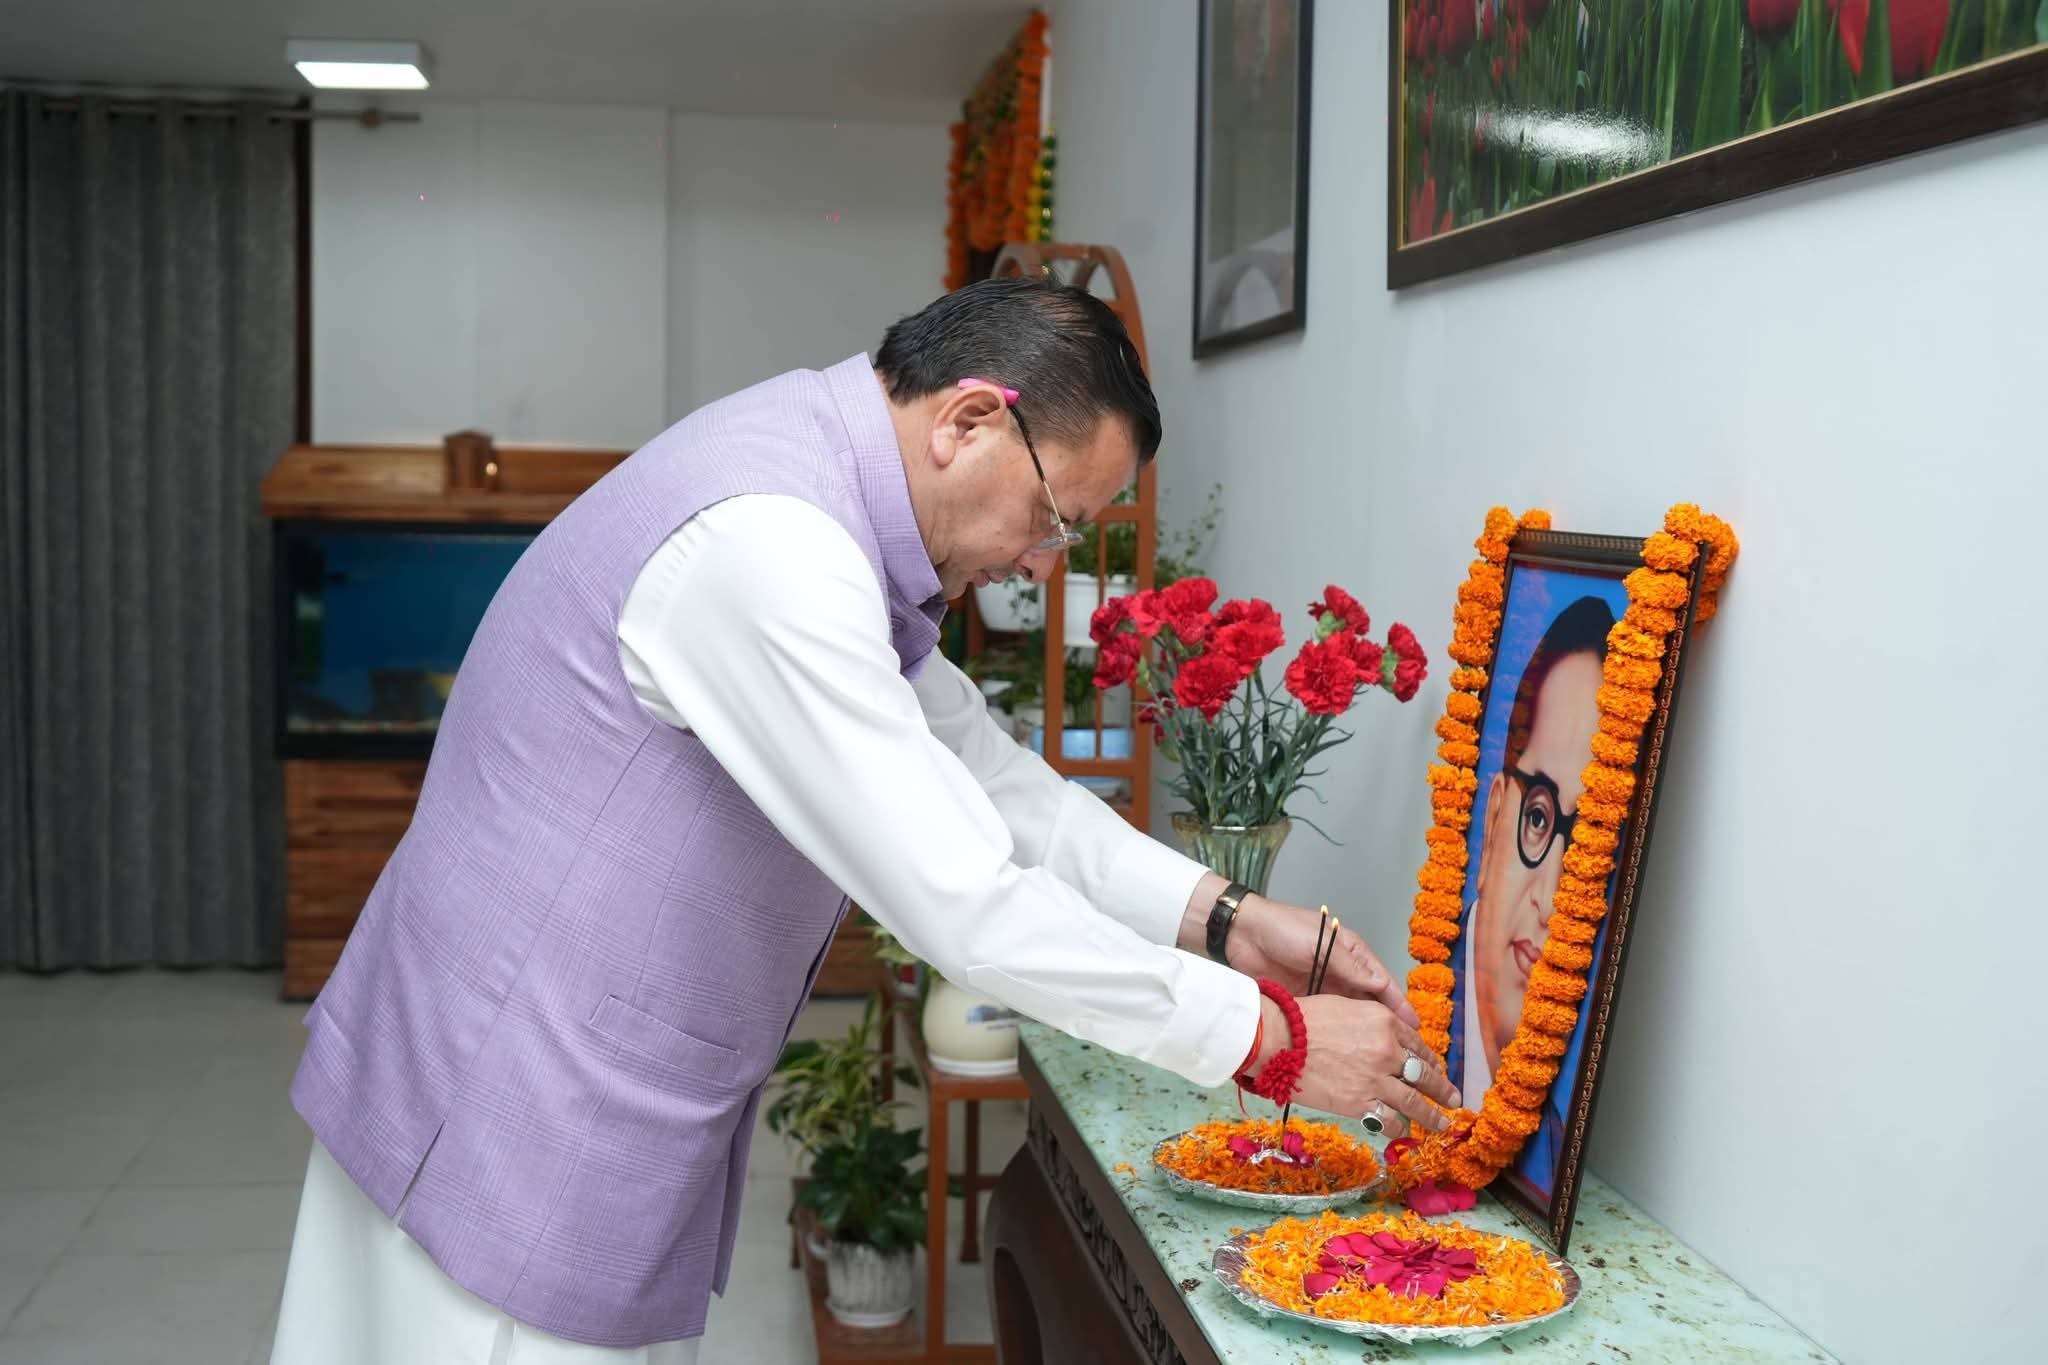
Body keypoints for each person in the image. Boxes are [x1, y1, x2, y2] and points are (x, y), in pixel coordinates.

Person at [268, 277, 1458, 1364]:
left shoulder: (819, 495)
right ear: (970, 420)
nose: (1043, 566)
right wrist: (1267, 1039)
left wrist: (1225, 916)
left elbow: (989, 778)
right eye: (1052, 517)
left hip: (560, 1074)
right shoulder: (771, 547)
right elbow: (963, 903)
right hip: (505, 1106)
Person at [1448, 593, 1615, 1197]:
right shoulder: (1412, 1033)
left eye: (1588, 844)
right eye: (1539, 818)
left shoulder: (1549, 1153)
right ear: (1495, 817)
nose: (1550, 900)